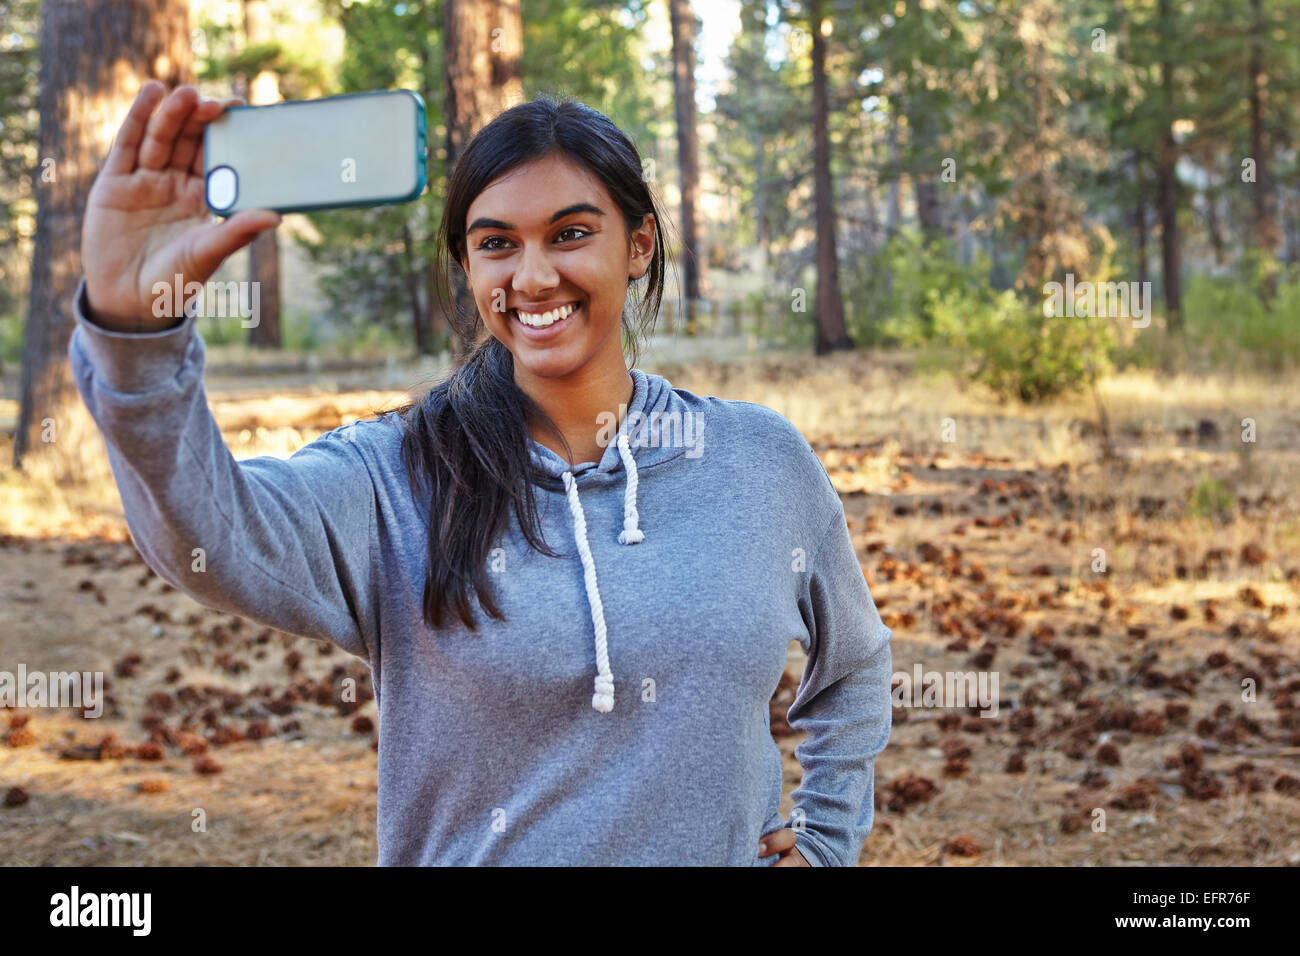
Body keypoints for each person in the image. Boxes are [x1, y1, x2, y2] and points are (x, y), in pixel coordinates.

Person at [69, 80, 893, 866]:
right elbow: (212, 535)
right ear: (469, 266)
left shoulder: (759, 461)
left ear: (638, 244)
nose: (533, 278)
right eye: (497, 243)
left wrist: (824, 839)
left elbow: (854, 664)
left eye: (571, 233)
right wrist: (136, 339)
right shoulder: (393, 476)